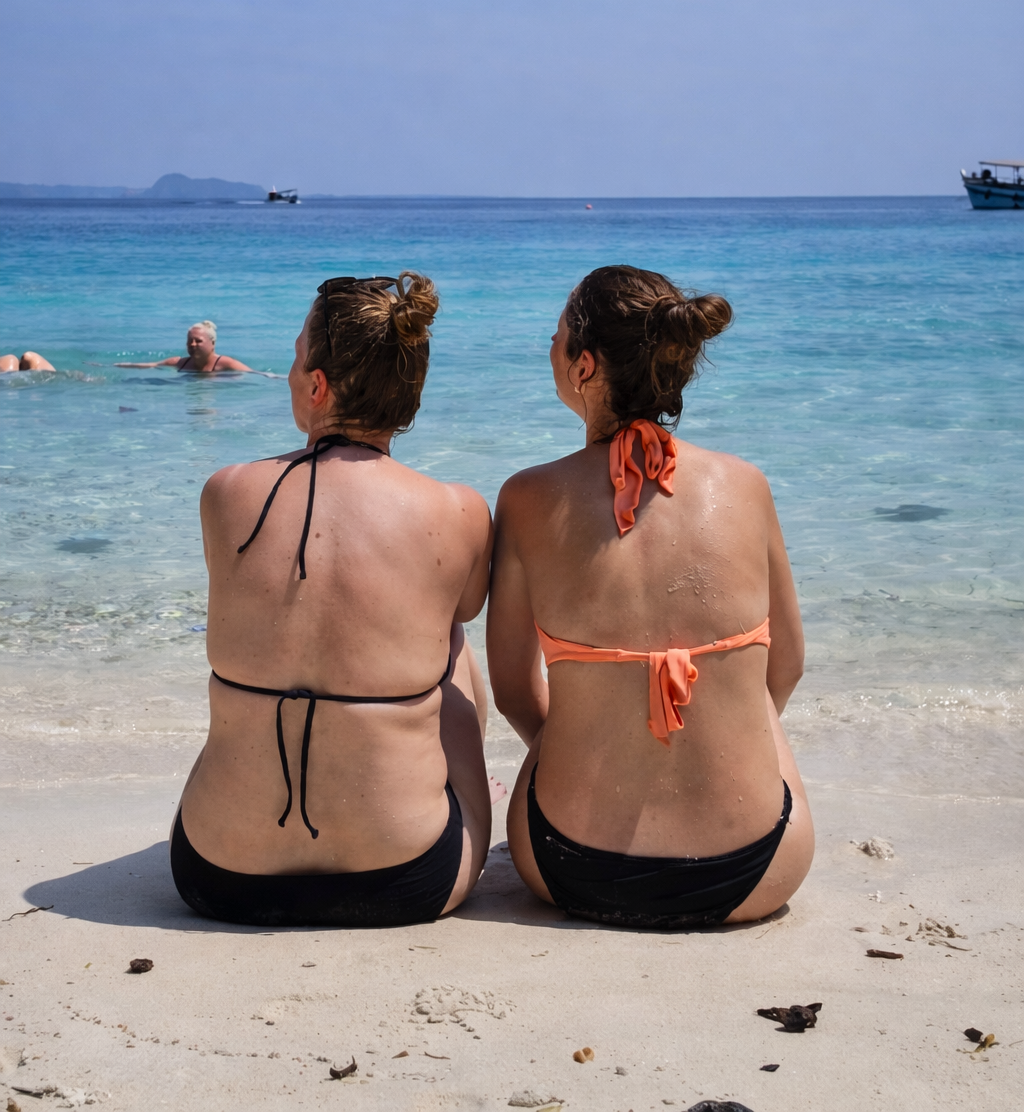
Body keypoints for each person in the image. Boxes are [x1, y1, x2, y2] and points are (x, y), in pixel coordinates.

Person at [487, 265, 814, 930]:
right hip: (755, 870)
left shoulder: (526, 498)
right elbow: (786, 670)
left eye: (553, 339)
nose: (546, 351)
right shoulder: (744, 485)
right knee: (753, 700)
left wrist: (596, 740)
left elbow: (514, 693)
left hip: (568, 867)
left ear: (583, 367)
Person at [171, 273, 493, 927]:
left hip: (218, 874)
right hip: (407, 877)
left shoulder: (225, 492)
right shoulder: (458, 511)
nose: (292, 374)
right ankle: (417, 800)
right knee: (452, 637)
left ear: (317, 386)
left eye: (295, 360)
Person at [115, 320, 252, 373]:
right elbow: (149, 365)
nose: (193, 345)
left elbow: (256, 374)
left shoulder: (227, 363)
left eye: (198, 341)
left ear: (213, 343)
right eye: (189, 341)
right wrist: (115, 366)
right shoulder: (180, 363)